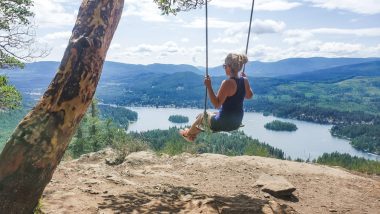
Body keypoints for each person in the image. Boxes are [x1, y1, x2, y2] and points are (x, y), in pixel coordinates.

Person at [180, 53, 254, 142]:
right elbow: (249, 96)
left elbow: (217, 104)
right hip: (237, 121)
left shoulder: (227, 83)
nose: (224, 68)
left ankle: (189, 135)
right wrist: (245, 81)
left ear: (229, 67)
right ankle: (192, 134)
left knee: (203, 116)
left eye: (224, 66)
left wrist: (209, 86)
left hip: (225, 122)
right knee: (206, 115)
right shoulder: (244, 80)